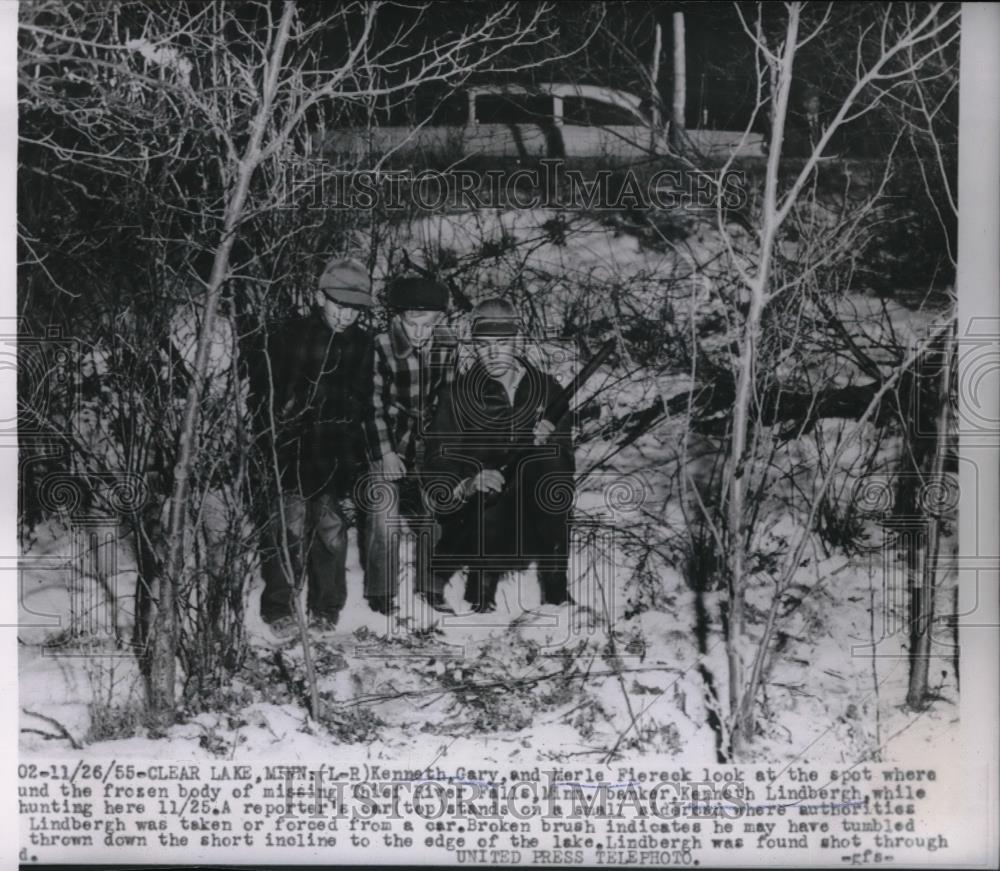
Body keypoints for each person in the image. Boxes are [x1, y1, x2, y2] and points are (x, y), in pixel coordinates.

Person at [423, 298, 575, 613]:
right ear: (473, 346)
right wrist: (466, 484)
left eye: (502, 342)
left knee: (551, 470)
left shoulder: (548, 391)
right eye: (483, 344)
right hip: (476, 517)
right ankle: (479, 595)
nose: (493, 353)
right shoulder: (455, 396)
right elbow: (437, 461)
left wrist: (547, 444)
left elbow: (565, 463)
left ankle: (556, 593)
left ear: (518, 341)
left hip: (532, 514)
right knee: (489, 485)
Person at [249, 257, 373, 639]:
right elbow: (266, 397)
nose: (347, 315)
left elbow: (364, 403)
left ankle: (326, 607)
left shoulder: (364, 345)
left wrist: (356, 462)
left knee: (332, 534)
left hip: (337, 456)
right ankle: (279, 606)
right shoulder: (289, 336)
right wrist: (273, 442)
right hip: (292, 452)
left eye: (355, 309)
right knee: (287, 531)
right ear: (320, 297)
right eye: (340, 305)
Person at [361, 275, 456, 615]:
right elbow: (370, 405)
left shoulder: (447, 345)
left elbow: (447, 399)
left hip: (427, 443)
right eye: (412, 323)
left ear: (440, 321)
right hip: (386, 439)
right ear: (398, 316)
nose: (419, 332)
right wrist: (385, 453)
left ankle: (431, 587)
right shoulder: (380, 345)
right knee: (383, 520)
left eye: (428, 325)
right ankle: (381, 593)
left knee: (434, 514)